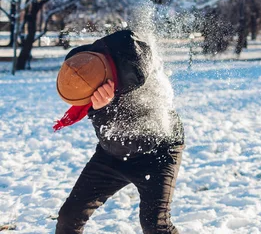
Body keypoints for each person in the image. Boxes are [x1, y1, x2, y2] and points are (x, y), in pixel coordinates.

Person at [53, 29, 184, 234]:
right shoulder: (94, 67)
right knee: (68, 218)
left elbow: (136, 127)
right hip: (111, 155)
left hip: (157, 154)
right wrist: (100, 108)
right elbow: (111, 132)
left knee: (155, 225)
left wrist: (104, 108)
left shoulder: (140, 77)